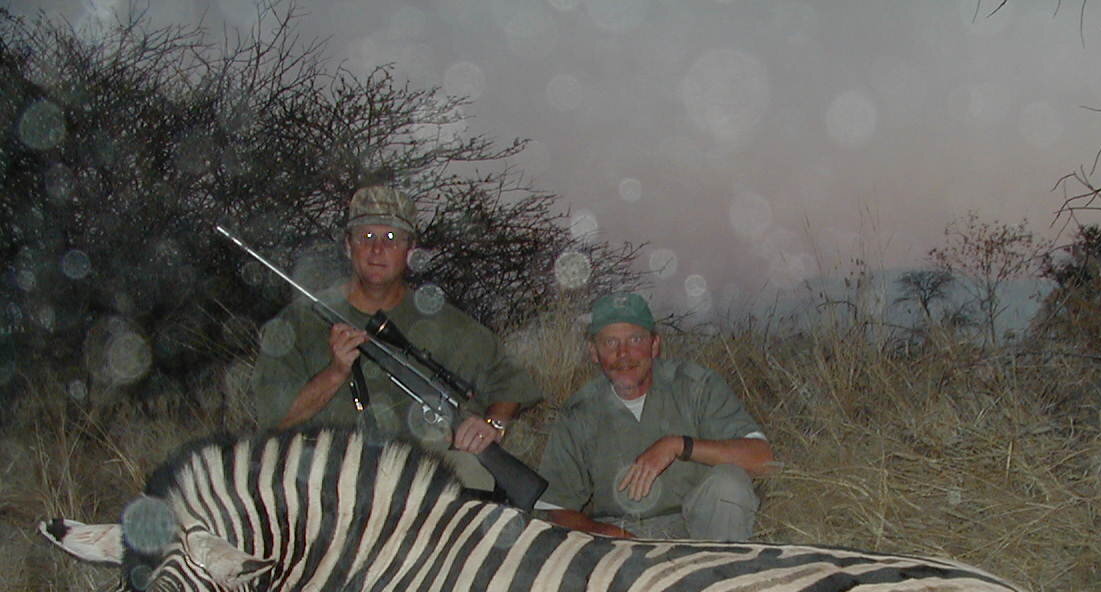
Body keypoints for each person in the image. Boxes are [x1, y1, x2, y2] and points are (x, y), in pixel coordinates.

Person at [252, 185, 541, 490]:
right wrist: (334, 374)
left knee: (471, 473)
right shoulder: (298, 321)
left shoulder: (445, 321)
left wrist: (491, 425)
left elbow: (512, 382)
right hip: (326, 483)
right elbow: (275, 421)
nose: (377, 249)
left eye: (391, 238)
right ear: (348, 246)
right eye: (366, 237)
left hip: (418, 486)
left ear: (410, 251)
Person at [538, 292, 774, 540]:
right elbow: (556, 508)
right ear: (594, 352)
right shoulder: (578, 411)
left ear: (654, 345)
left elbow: (762, 458)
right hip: (617, 535)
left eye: (635, 339)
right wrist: (606, 533)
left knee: (729, 484)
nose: (623, 354)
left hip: (695, 528)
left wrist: (678, 445)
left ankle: (725, 570)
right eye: (610, 343)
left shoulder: (697, 386)